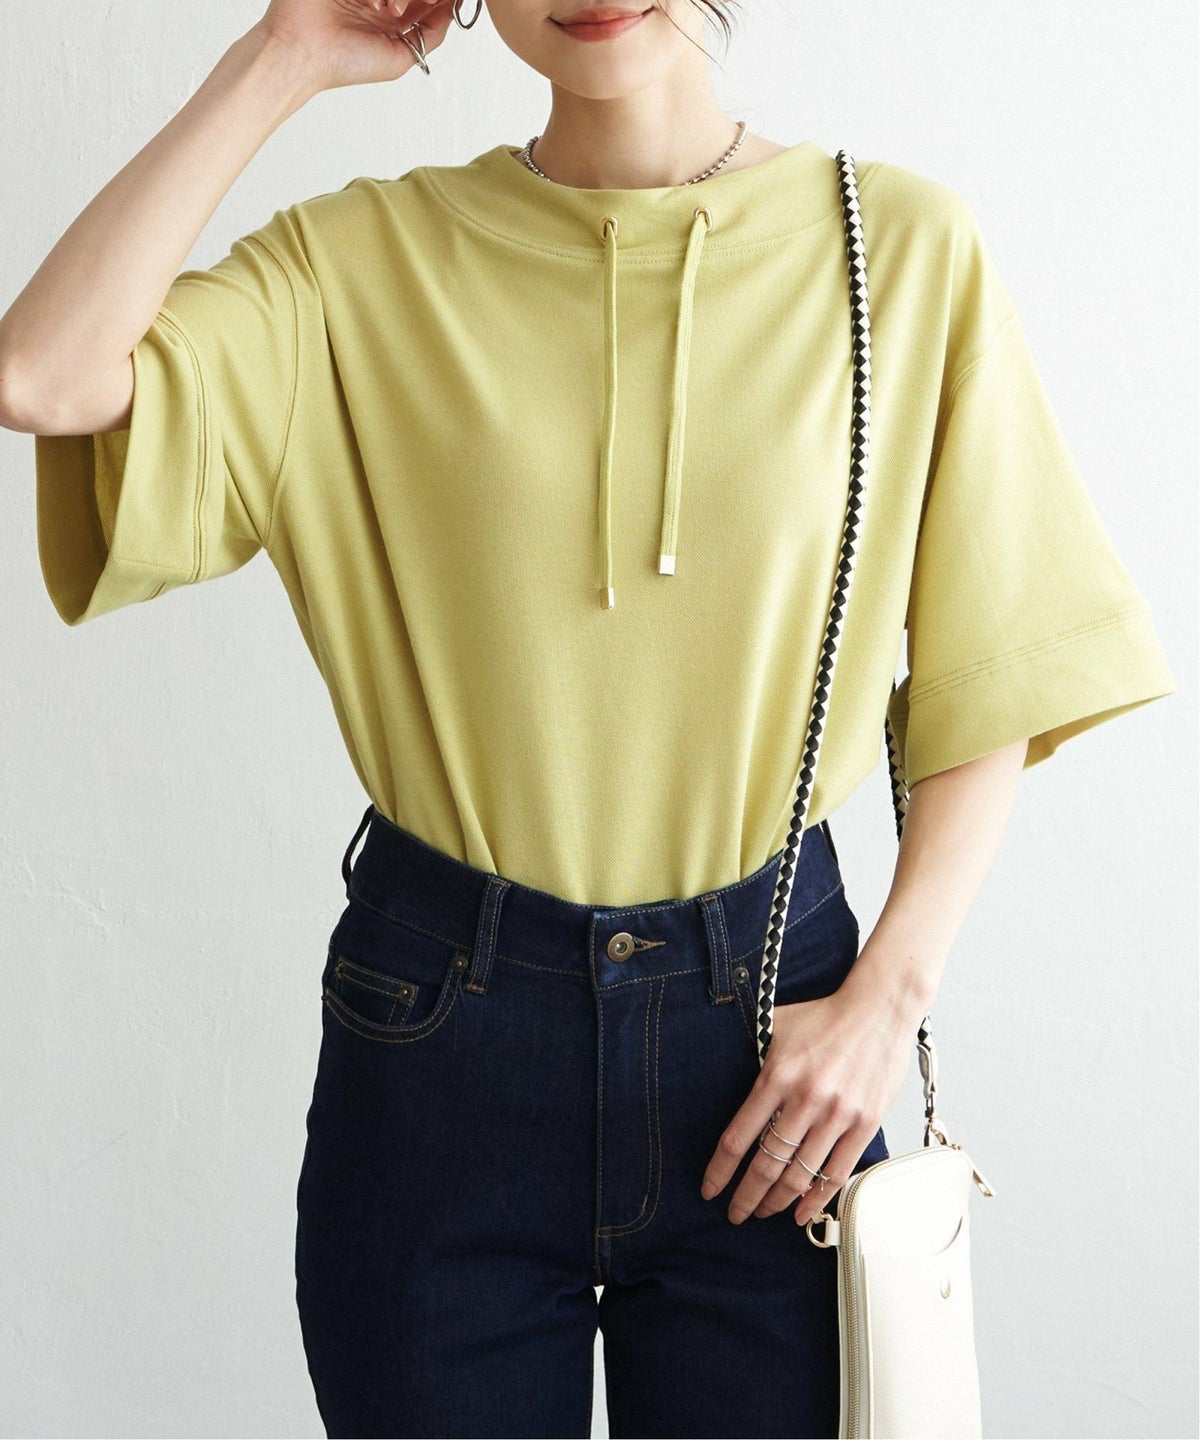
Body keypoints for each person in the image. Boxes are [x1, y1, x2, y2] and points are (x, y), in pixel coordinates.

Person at [0, 2, 1177, 1436]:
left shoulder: (900, 250)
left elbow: (995, 660)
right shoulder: (359, 262)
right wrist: (286, 53)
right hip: (441, 1045)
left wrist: (891, 998)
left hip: (780, 1043)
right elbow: (42, 375)